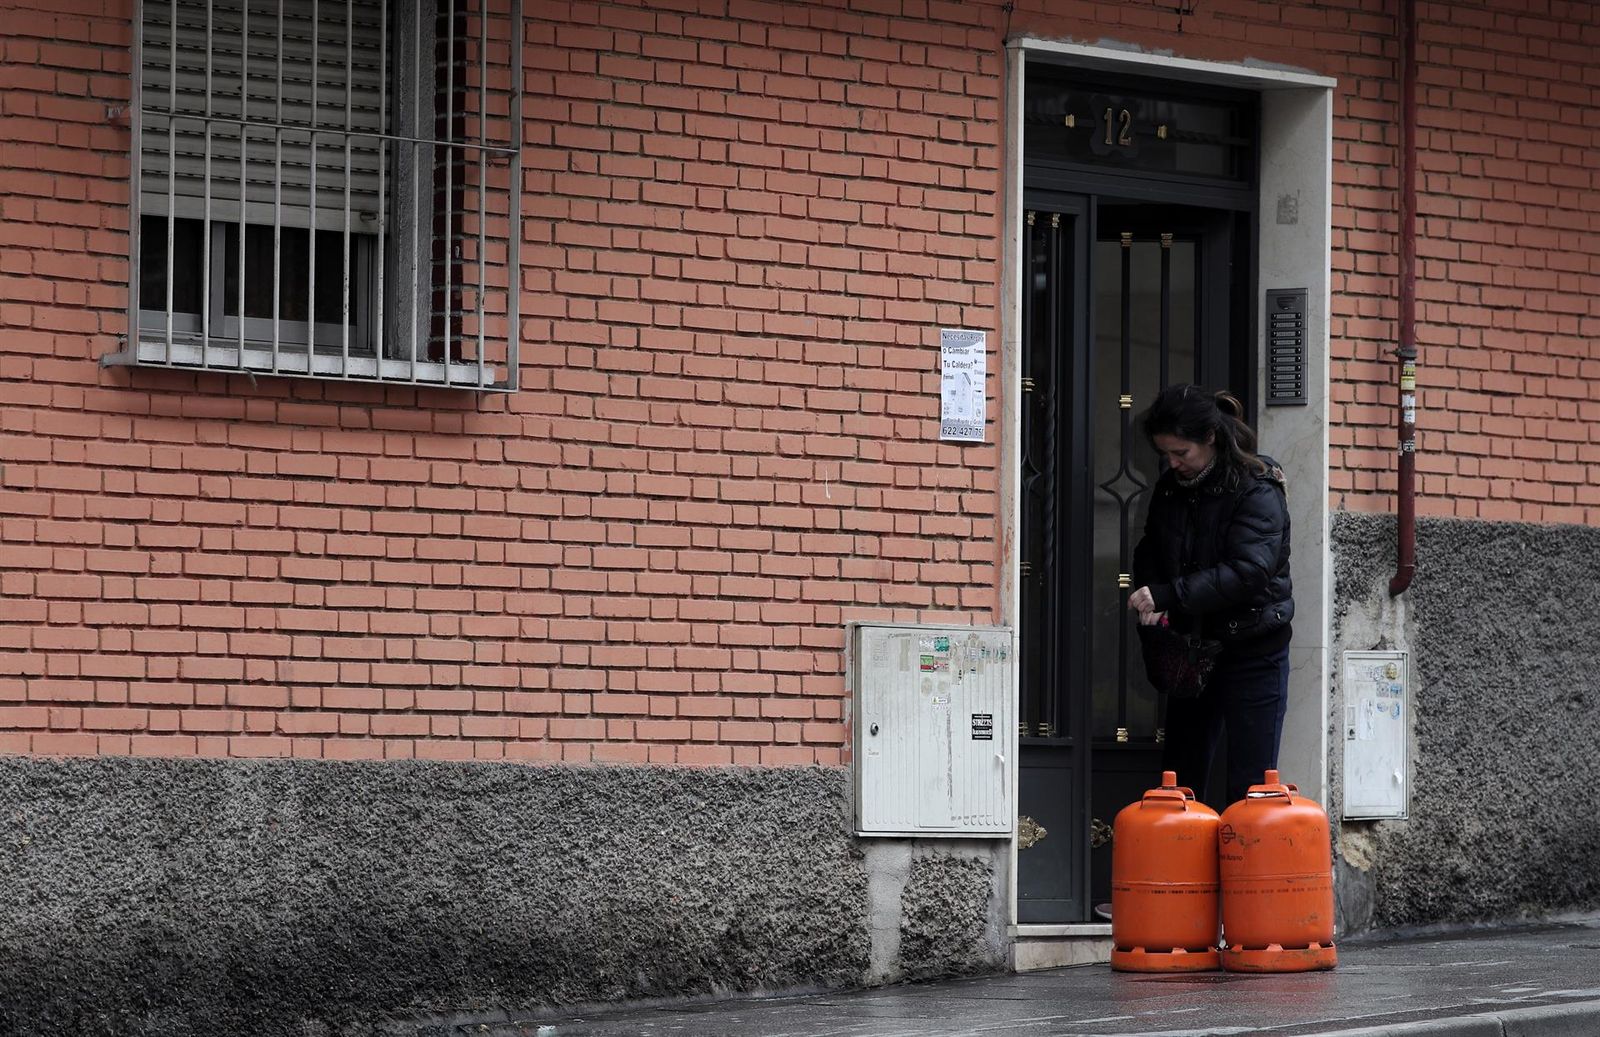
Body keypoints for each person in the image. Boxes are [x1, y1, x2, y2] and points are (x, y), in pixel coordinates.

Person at [1127, 384, 1294, 808]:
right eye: (1165, 453)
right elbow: (1151, 549)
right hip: (1194, 651)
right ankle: (1188, 873)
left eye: (1181, 452)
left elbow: (1250, 571)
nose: (1173, 462)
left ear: (1210, 439)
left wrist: (1169, 594)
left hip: (1253, 649)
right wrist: (1153, 600)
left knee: (1252, 787)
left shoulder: (1257, 485)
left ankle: (1245, 874)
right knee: (1180, 783)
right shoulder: (1170, 489)